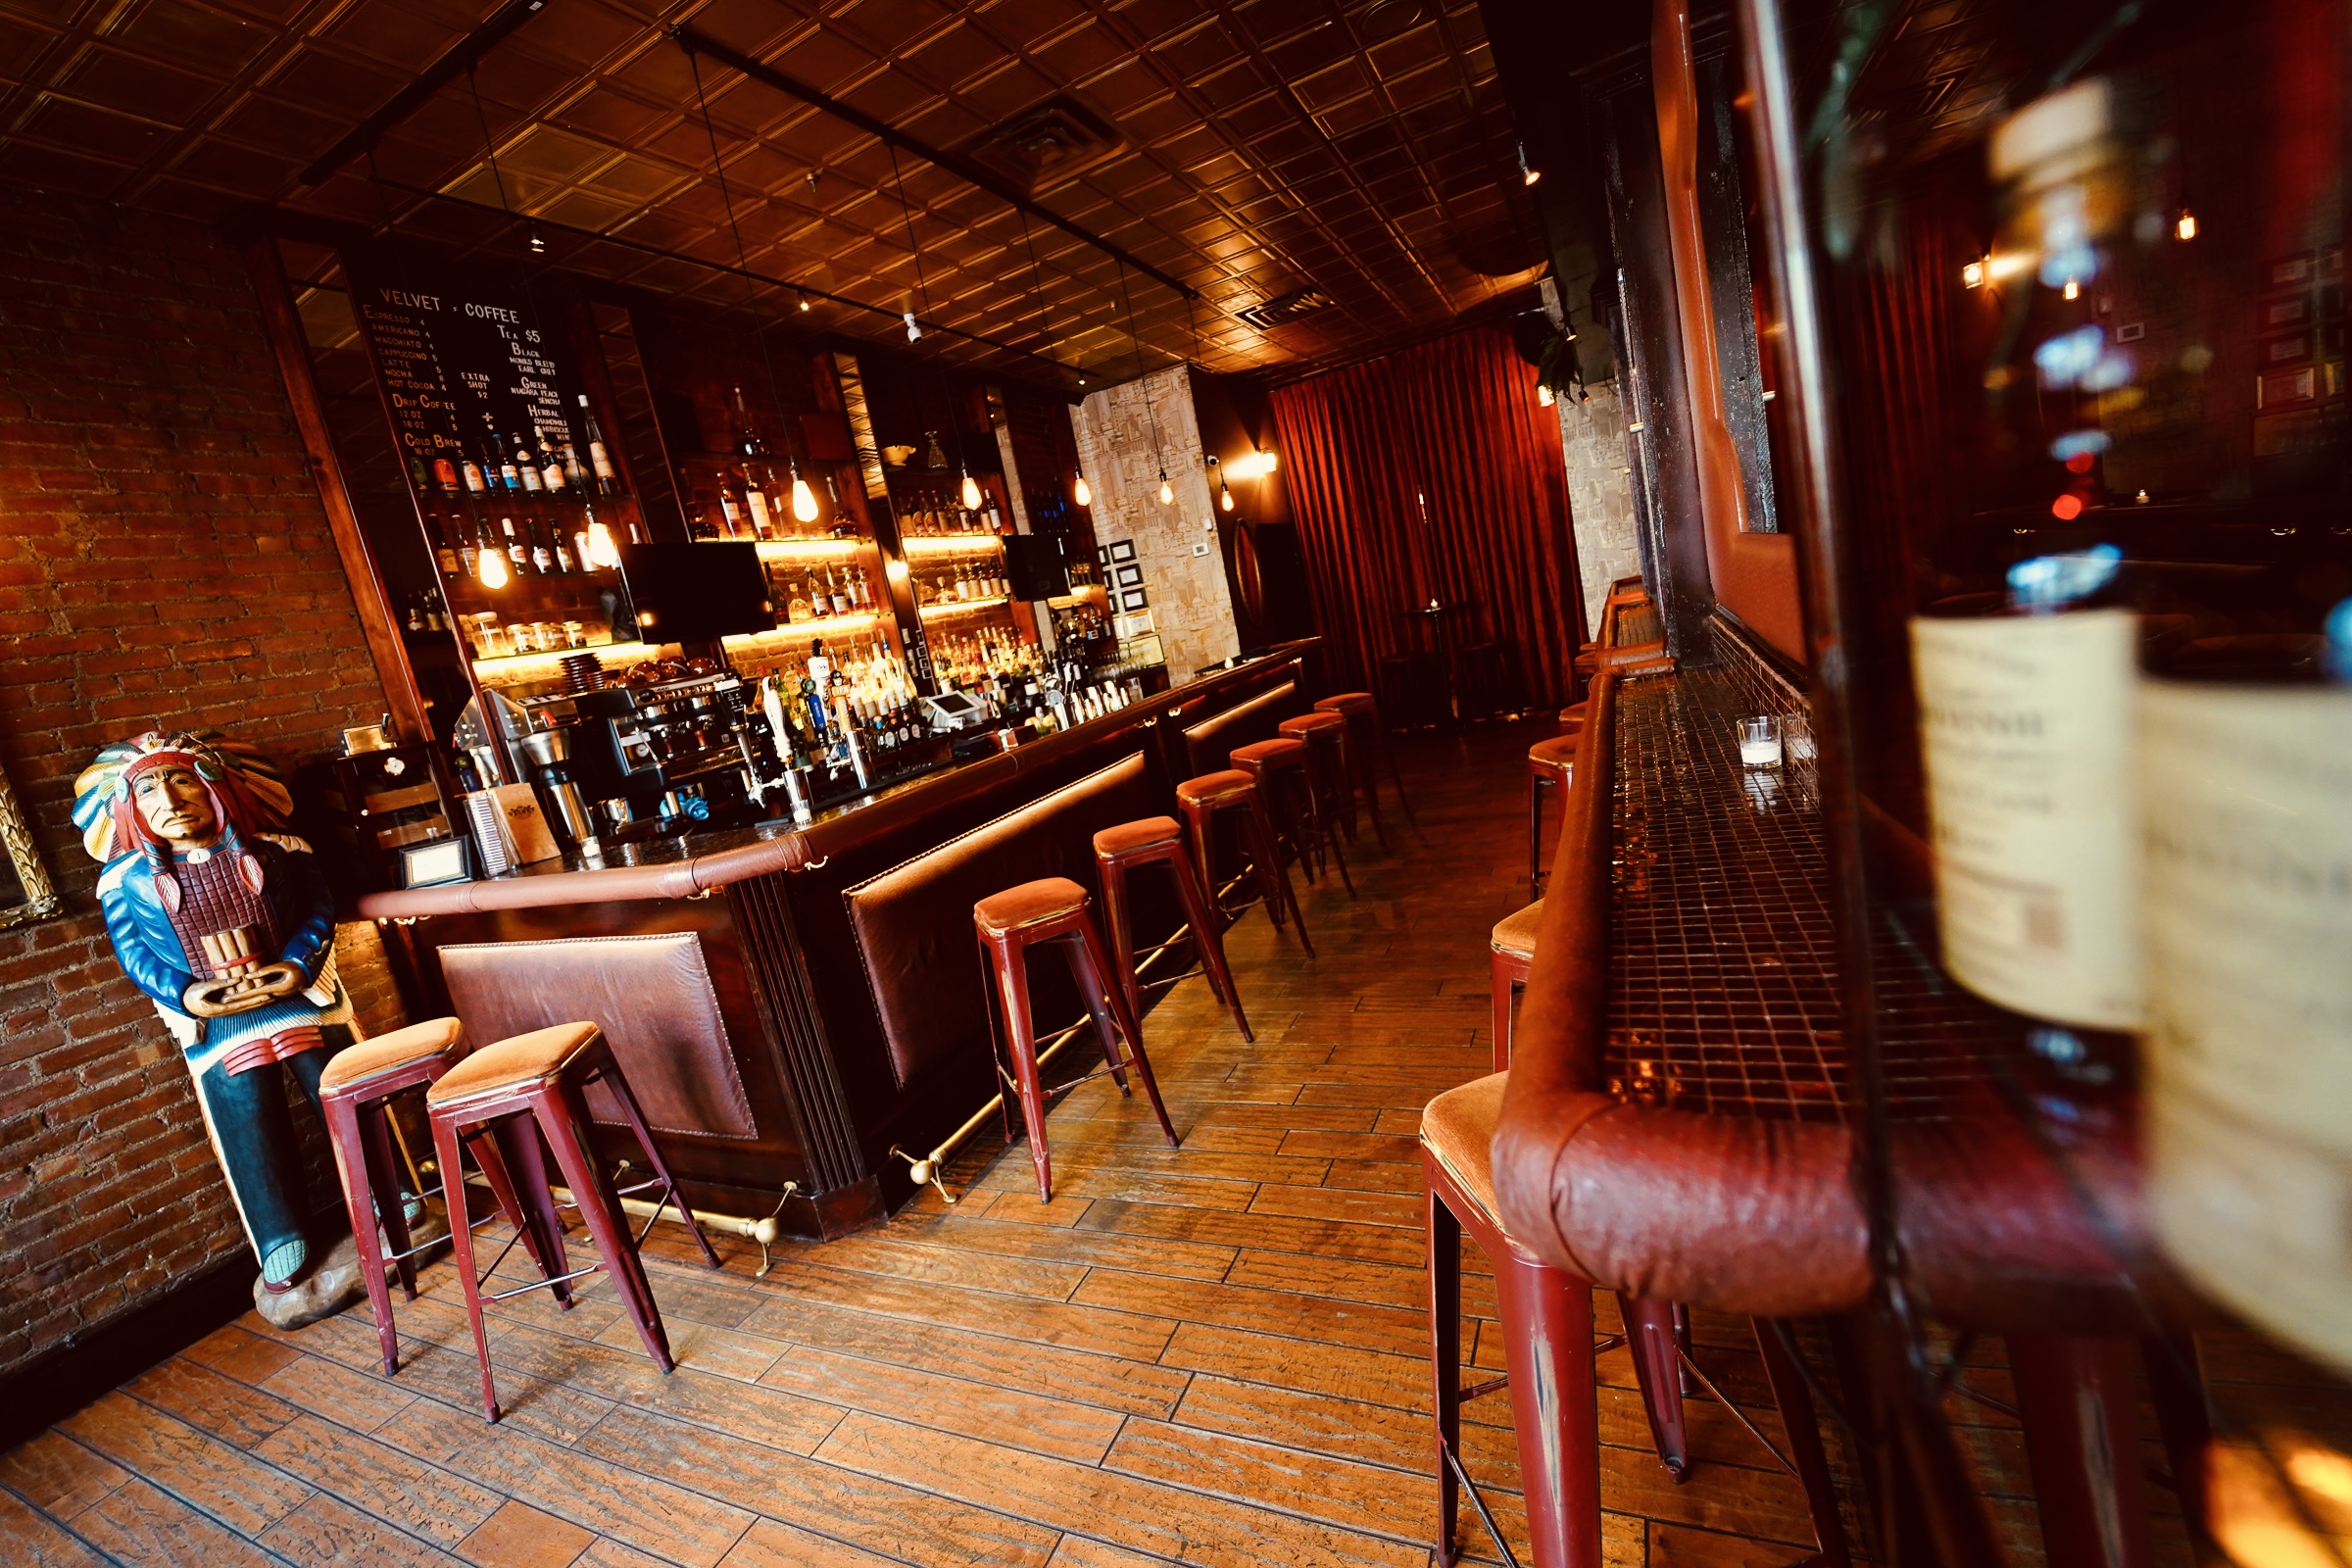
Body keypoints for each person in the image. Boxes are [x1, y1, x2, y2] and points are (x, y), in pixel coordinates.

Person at [74, 730, 352, 1292]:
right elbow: (133, 952)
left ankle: (387, 1191)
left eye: (182, 780)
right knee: (247, 1119)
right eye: (148, 790)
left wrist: (297, 964)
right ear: (129, 808)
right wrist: (185, 993)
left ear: (216, 788)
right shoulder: (125, 879)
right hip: (217, 1022)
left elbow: (320, 909)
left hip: (300, 999)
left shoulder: (279, 849)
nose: (170, 801)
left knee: (343, 1091)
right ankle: (278, 1235)